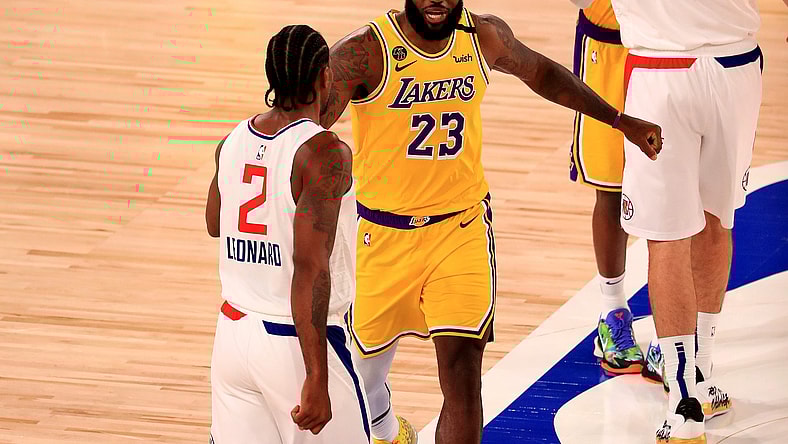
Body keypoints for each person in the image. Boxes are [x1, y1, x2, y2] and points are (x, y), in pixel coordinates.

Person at [320, 1, 662, 442]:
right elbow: (308, 123)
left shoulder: (483, 36)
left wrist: (619, 120)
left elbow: (543, 75)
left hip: (458, 231)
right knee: (359, 388)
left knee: (464, 373)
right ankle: (385, 427)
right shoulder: (366, 50)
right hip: (381, 235)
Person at [205, 25, 370, 444]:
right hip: (292, 342)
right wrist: (316, 375)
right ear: (324, 78)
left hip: (232, 336)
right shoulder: (324, 151)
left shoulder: (232, 140)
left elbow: (214, 224)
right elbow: (310, 268)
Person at [610, 0, 762, 442]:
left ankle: (685, 399)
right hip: (735, 61)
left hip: (662, 65)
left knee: (669, 236)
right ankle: (699, 374)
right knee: (717, 221)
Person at [567, 0, 644, 376]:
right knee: (611, 189)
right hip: (610, 50)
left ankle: (674, 333)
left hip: (679, 52)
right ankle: (612, 310)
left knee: (682, 194)